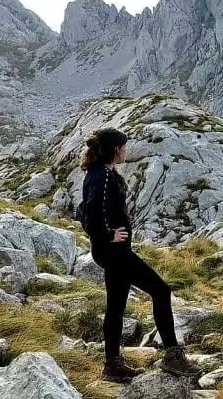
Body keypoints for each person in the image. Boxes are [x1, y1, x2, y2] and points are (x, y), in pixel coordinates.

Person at [78, 127, 200, 382]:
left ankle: (112, 366)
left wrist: (105, 235)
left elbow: (82, 210)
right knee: (161, 290)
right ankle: (173, 357)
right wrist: (108, 234)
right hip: (113, 251)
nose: (126, 150)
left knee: (116, 306)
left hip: (111, 251)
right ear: (114, 149)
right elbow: (87, 215)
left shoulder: (99, 173)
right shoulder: (103, 177)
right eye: (123, 146)